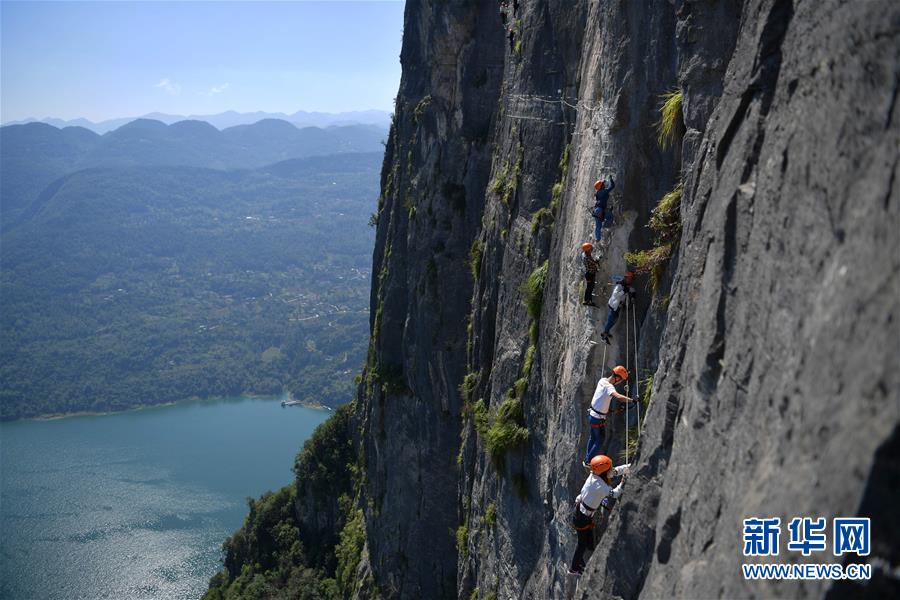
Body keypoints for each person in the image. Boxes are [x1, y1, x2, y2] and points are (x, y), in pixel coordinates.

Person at [569, 455, 630, 575]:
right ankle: (574, 568)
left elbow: (613, 472)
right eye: (609, 468)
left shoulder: (595, 475)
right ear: (604, 472)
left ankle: (584, 556)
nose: (611, 469)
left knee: (585, 538)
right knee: (581, 544)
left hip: (581, 512)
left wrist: (628, 467)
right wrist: (623, 482)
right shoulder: (600, 486)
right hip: (582, 516)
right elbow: (615, 494)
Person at [583, 366, 634, 467]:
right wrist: (632, 400)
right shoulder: (609, 387)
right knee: (599, 440)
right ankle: (589, 462)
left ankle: (587, 459)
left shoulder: (602, 380)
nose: (620, 382)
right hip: (598, 418)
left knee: (593, 438)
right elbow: (618, 396)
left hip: (592, 414)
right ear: (617, 378)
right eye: (621, 380)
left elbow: (601, 399)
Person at [599, 271, 635, 345]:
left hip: (617, 306)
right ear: (626, 278)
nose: (631, 280)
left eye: (631, 278)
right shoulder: (619, 286)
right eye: (630, 278)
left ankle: (606, 331)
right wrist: (624, 291)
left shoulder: (625, 285)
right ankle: (604, 335)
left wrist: (633, 295)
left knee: (614, 320)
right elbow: (615, 295)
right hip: (613, 305)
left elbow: (631, 290)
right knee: (611, 320)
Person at [591, 177, 616, 242]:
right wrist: (611, 179)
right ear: (601, 186)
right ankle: (605, 226)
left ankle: (597, 238)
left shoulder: (598, 193)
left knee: (598, 226)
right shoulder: (604, 191)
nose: (604, 185)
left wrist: (609, 210)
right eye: (603, 184)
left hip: (596, 211)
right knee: (610, 217)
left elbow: (602, 203)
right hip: (600, 210)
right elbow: (612, 186)